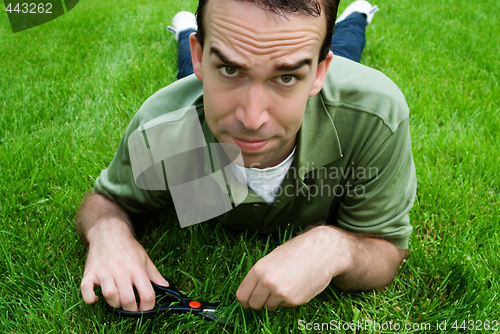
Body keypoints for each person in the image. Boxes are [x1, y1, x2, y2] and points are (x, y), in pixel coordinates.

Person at [77, 0, 417, 313]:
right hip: (207, 79)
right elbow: (104, 200)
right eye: (229, 69)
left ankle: (355, 16)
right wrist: (108, 232)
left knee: (347, 47)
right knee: (188, 81)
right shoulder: (163, 128)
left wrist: (335, 247)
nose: (251, 119)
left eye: (286, 76)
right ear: (201, 56)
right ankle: (186, 33)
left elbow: (386, 248)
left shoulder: (374, 116)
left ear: (318, 73)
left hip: (322, 74)